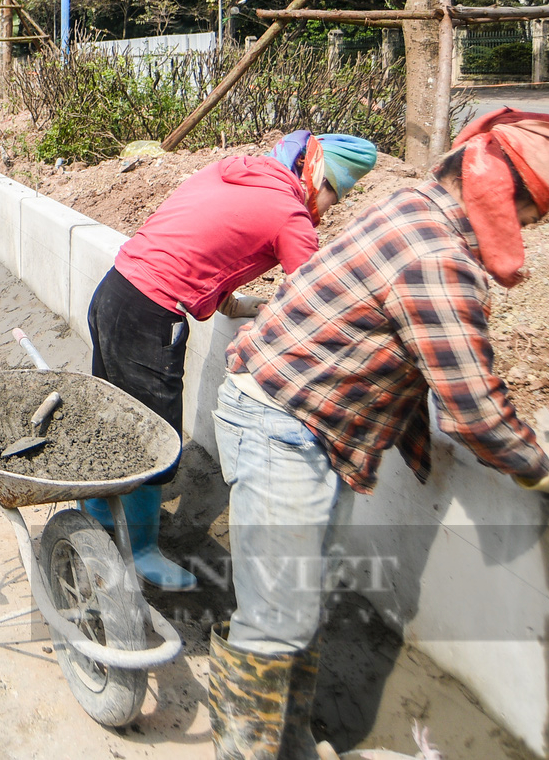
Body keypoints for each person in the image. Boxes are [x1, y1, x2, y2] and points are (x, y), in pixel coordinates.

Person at [207, 109, 549, 760]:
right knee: (283, 611)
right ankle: (246, 746)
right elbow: (477, 412)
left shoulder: (417, 206)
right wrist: (543, 465)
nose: (531, 225)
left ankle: (281, 737)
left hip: (293, 413)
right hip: (283, 425)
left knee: (299, 599)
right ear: (502, 197)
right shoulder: (438, 259)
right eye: (529, 211)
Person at [83, 129, 380, 590]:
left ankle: (97, 511)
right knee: (155, 437)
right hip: (149, 314)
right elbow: (319, 300)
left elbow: (202, 248)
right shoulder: (290, 212)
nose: (330, 207)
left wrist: (242, 304)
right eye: (333, 194)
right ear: (317, 172)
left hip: (114, 291)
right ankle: (141, 550)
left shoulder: (236, 174)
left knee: (115, 415)